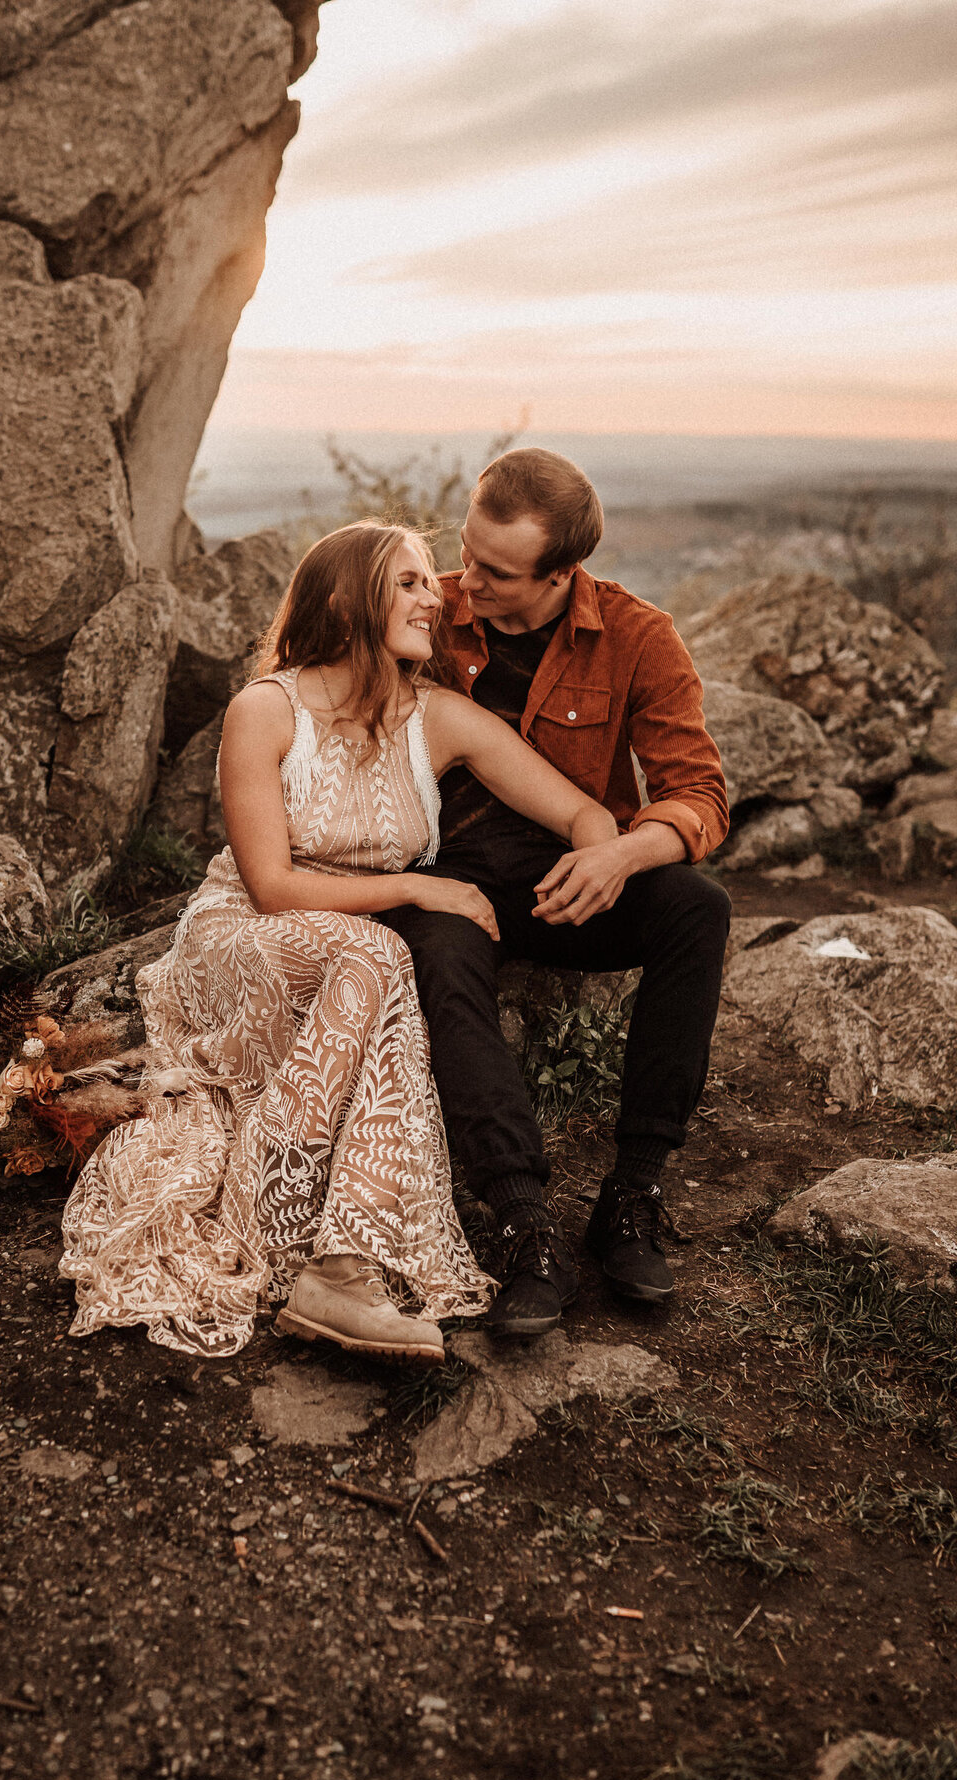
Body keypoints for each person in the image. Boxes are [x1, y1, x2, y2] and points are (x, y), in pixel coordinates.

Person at [60, 520, 618, 1362]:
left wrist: (601, 860)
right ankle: (331, 1263)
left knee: (377, 956)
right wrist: (417, 885)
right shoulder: (267, 709)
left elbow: (580, 810)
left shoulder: (437, 718)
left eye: (433, 581)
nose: (437, 596)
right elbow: (271, 887)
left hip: (350, 950)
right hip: (243, 936)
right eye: (410, 582)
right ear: (341, 597)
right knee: (384, 950)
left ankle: (340, 1265)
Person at [384, 449, 731, 1337]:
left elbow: (699, 794)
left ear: (562, 571)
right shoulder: (424, 608)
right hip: (447, 872)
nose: (468, 584)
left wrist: (621, 855)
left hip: (572, 873)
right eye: (467, 553)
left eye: (497, 573)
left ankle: (634, 1191)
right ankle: (521, 1217)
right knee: (442, 951)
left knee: (698, 906)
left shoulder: (637, 636)